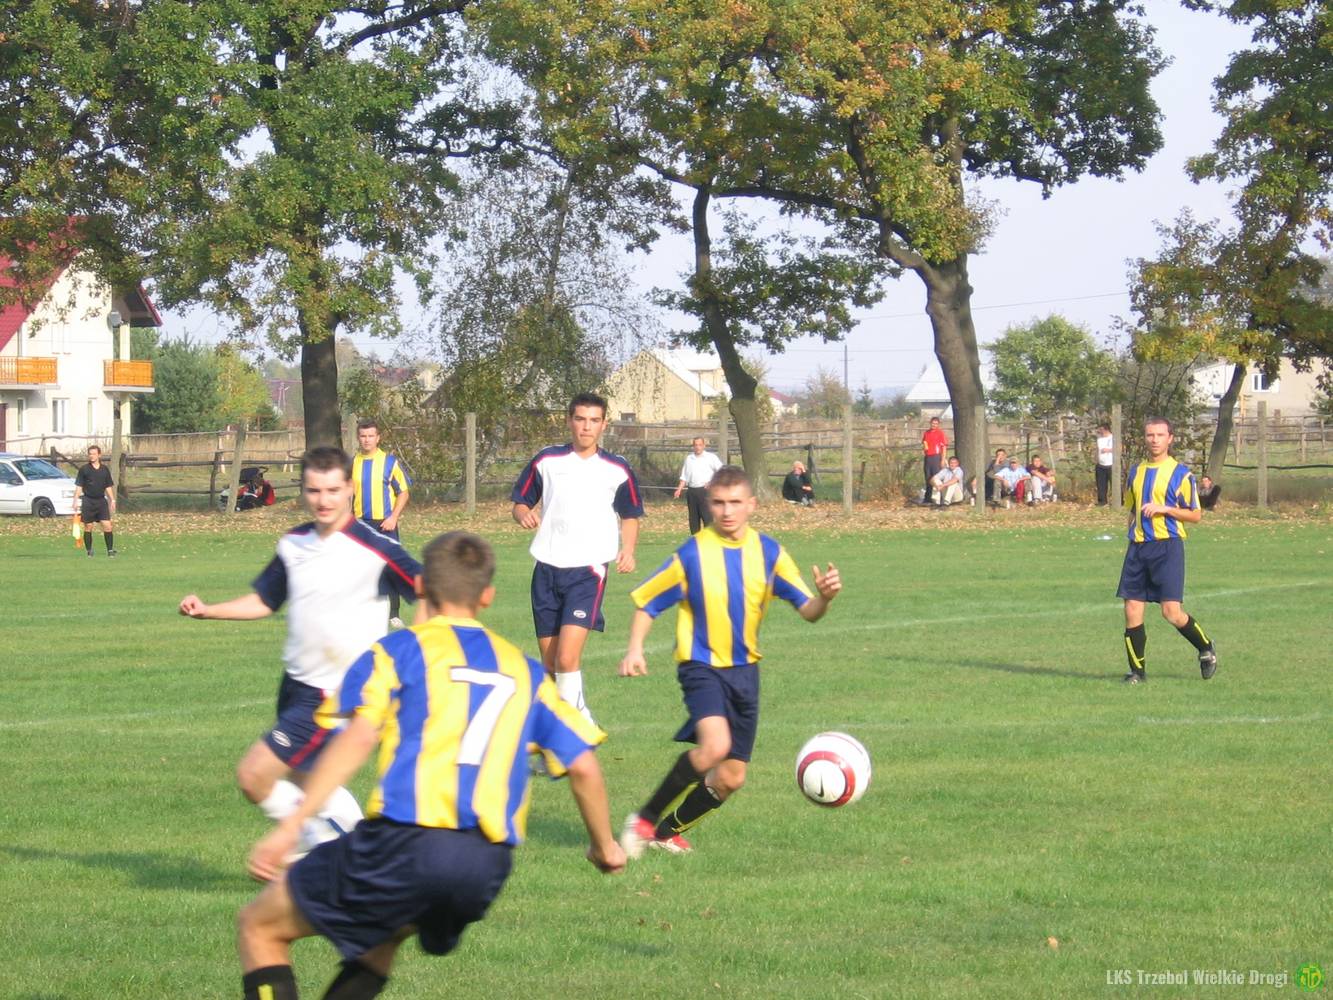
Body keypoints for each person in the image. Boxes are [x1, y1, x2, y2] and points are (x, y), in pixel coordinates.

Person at [236, 531, 625, 1000]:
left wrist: (291, 826)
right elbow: (583, 766)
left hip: (405, 843)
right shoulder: (526, 671)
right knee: (381, 938)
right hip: (484, 865)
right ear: (487, 596)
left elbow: (358, 737)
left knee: (260, 927)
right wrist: (605, 848)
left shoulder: (397, 652)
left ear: (420, 588)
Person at [179, 447, 422, 853]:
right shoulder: (294, 544)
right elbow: (265, 601)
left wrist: (414, 655)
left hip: (335, 693)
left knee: (255, 776)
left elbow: (430, 592)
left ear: (349, 489)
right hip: (295, 684)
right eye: (314, 490)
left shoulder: (376, 549)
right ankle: (359, 851)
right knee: (306, 783)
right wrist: (209, 610)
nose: (323, 500)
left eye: (332, 490)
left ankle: (318, 851)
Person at [617, 465, 842, 856]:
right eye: (719, 503)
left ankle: (665, 832)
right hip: (700, 667)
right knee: (714, 747)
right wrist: (635, 648)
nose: (727, 511)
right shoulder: (692, 554)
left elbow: (808, 611)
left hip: (745, 673)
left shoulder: (769, 554)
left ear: (751, 505)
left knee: (731, 778)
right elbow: (648, 602)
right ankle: (644, 820)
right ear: (709, 504)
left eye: (735, 502)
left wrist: (824, 598)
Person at [511, 392, 643, 724]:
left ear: (604, 425)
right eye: (580, 419)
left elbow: (630, 514)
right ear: (569, 420)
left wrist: (628, 549)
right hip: (546, 568)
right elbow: (520, 502)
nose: (586, 427)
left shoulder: (617, 468)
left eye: (594, 420)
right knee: (550, 664)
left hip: (588, 571)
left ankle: (573, 727)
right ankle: (565, 724)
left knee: (567, 659)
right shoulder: (547, 460)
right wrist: (524, 514)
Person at [1117, 417, 1217, 684]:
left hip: (1168, 548)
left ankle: (1206, 649)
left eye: (1160, 435)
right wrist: (1132, 534)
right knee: (1132, 609)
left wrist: (1166, 509)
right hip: (1138, 549)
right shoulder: (1136, 472)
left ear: (1170, 438)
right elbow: (1132, 509)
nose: (1154, 439)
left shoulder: (1181, 474)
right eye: (1150, 435)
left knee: (1171, 612)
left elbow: (1195, 515)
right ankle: (1137, 673)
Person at [352, 418, 413, 628]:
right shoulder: (352, 463)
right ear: (358, 438)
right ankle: (363, 612)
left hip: (385, 524)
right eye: (363, 436)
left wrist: (393, 517)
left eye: (371, 436)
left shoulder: (389, 462)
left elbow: (403, 492)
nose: (367, 440)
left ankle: (393, 614)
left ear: (378, 438)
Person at [674, 436, 723, 533]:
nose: (698, 447)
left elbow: (721, 471)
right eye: (696, 445)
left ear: (704, 446)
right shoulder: (689, 459)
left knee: (707, 518)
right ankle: (695, 540)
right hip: (692, 492)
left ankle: (709, 539)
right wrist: (679, 489)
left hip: (705, 491)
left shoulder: (711, 457)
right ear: (693, 446)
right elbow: (684, 477)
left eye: (700, 445)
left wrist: (712, 482)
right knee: (693, 520)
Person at [74, 444, 116, 557]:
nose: (92, 456)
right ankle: (89, 550)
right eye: (90, 454)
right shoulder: (84, 469)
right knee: (88, 526)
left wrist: (112, 500)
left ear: (99, 455)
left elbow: (108, 486)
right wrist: (75, 500)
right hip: (88, 501)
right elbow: (79, 486)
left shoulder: (104, 469)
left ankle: (110, 550)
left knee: (107, 525)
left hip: (101, 501)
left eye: (94, 454)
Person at [920, 416, 948, 502]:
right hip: (928, 457)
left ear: (938, 424)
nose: (934, 425)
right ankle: (927, 498)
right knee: (928, 477)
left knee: (936, 477)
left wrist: (942, 459)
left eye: (936, 423)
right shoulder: (926, 433)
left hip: (936, 457)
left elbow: (944, 447)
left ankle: (941, 498)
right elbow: (924, 444)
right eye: (933, 423)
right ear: (930, 423)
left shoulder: (940, 433)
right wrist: (924, 449)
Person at [1095, 423, 1114, 506]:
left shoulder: (1113, 438)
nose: (1100, 431)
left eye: (1101, 429)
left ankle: (1119, 501)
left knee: (1114, 484)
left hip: (1111, 464)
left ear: (1106, 429)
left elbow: (1120, 448)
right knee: (1101, 484)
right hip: (1101, 465)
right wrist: (1096, 460)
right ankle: (1102, 501)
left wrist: (1108, 450)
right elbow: (1097, 450)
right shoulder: (1099, 439)